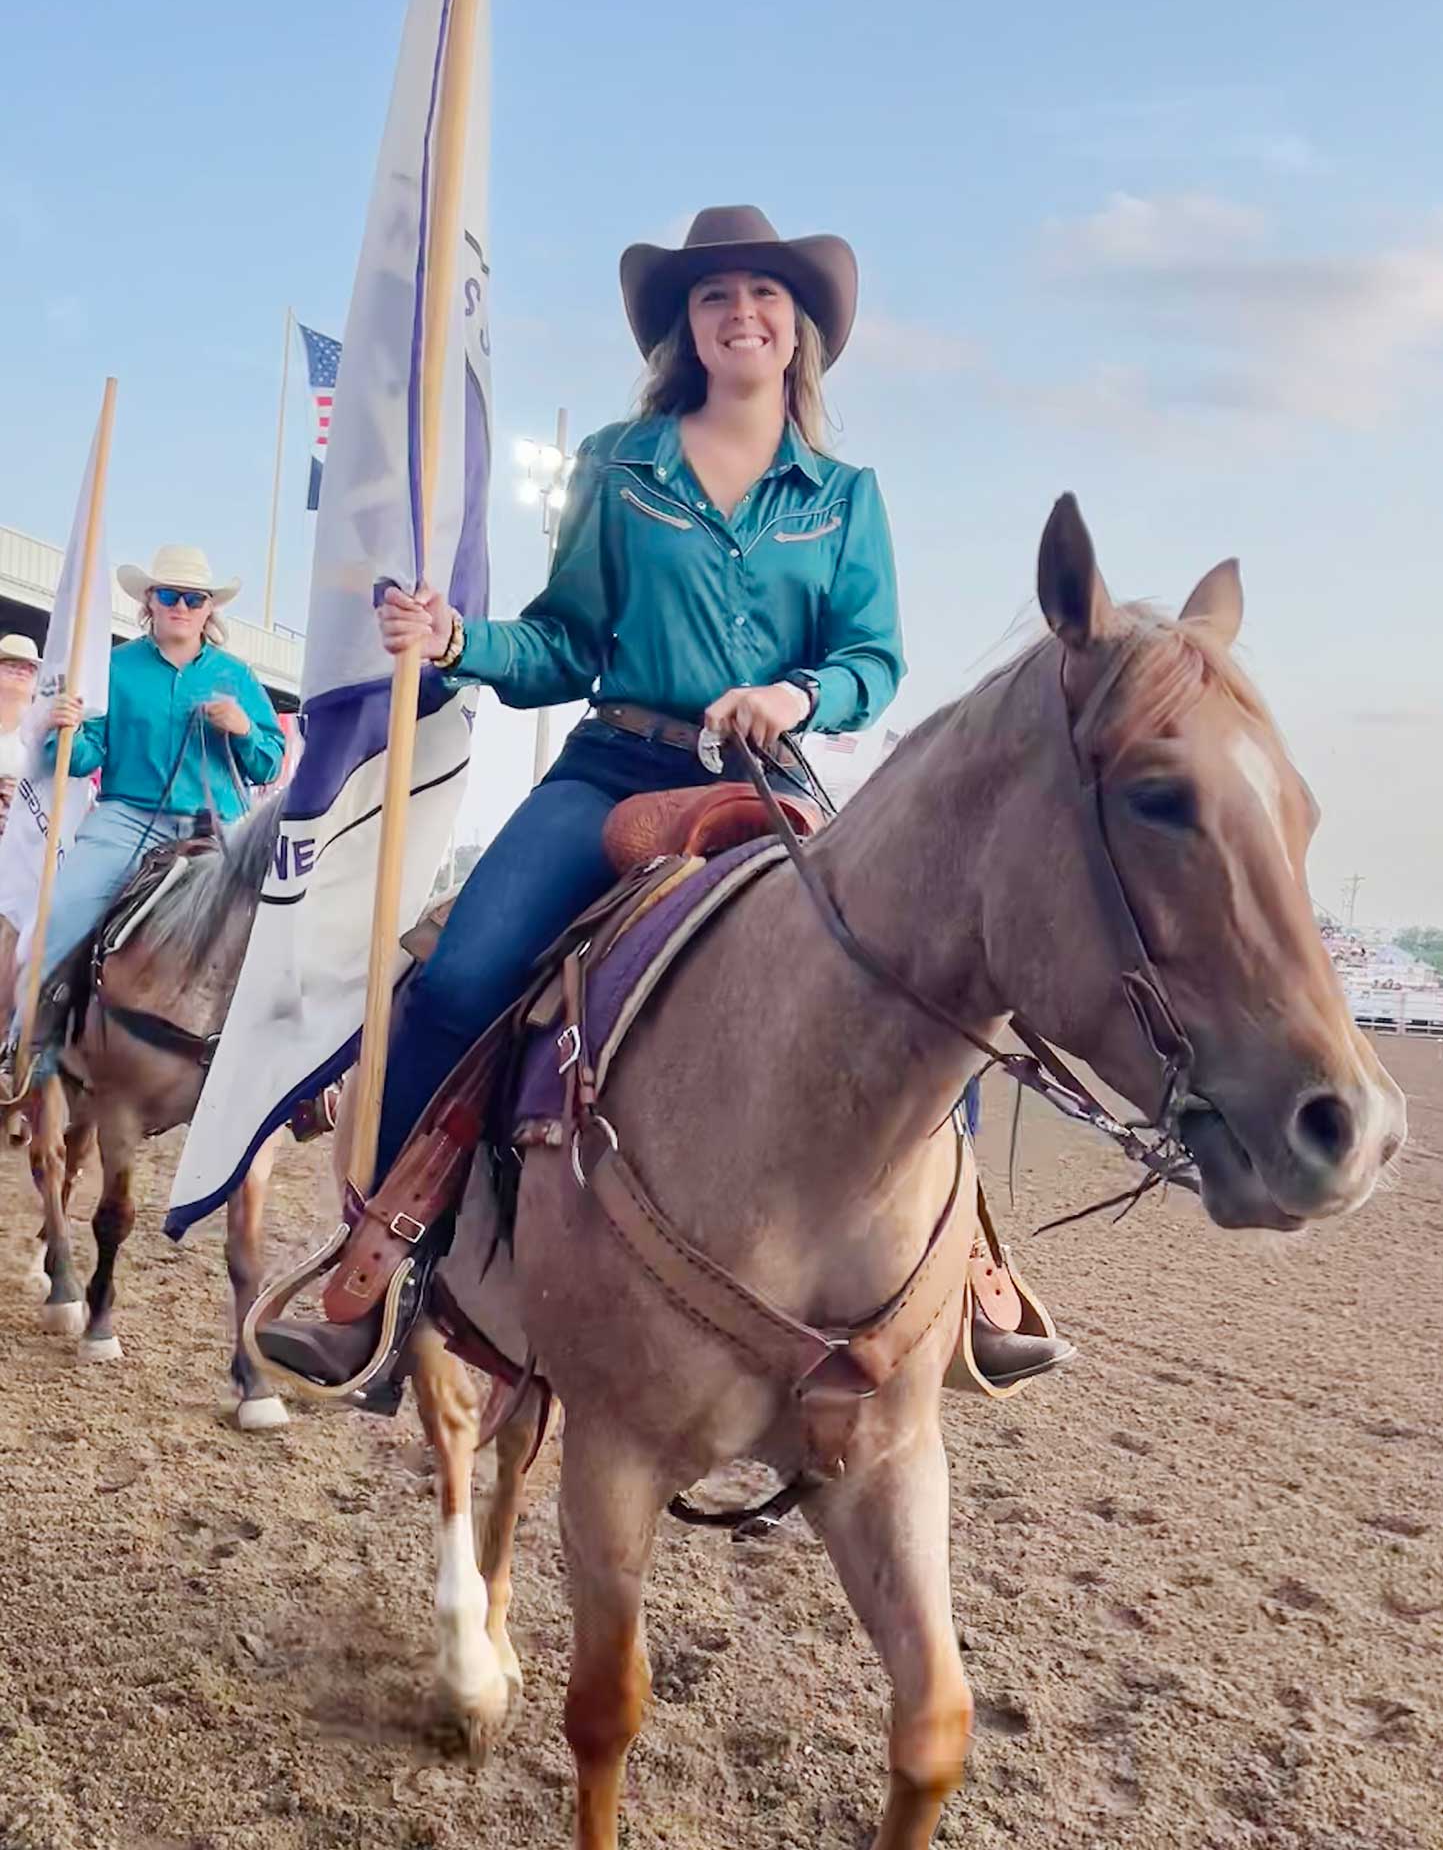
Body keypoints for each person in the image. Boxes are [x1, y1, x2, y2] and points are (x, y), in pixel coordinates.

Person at [264, 204, 1071, 1392]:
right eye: (714, 296)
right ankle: (376, 1270)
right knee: (460, 977)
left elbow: (873, 657)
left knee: (917, 987)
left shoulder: (845, 495)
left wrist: (798, 695)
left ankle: (968, 1279)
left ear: (798, 328)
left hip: (764, 780)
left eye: (763, 294)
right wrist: (457, 640)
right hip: (616, 764)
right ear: (687, 329)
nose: (741, 313)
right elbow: (563, 641)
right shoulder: (618, 464)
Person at [32, 544, 285, 986]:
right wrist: (65, 730)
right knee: (62, 914)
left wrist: (244, 728)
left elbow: (269, 767)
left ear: (209, 609)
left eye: (194, 598)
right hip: (126, 822)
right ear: (149, 601)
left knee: (277, 934)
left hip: (218, 830)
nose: (181, 607)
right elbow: (82, 758)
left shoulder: (238, 675)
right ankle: (31, 1025)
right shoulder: (113, 667)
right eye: (169, 595)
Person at [0, 631, 41, 824]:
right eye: (11, 665)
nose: (21, 672)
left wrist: (24, 794)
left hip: (22, 828)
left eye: (29, 668)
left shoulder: (45, 730)